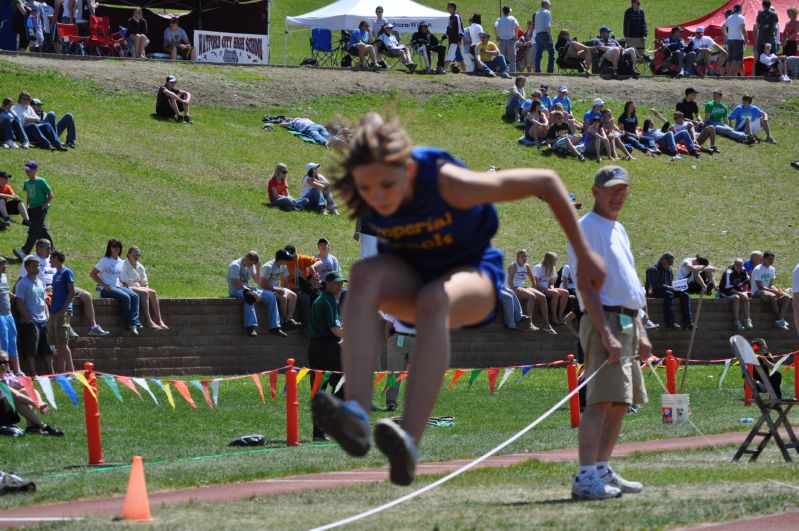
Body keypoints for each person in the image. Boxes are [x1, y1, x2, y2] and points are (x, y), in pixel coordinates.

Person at [311, 112, 604, 487]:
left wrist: (583, 250)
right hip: (419, 280)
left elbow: (545, 181)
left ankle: (409, 441)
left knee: (435, 298)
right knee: (363, 277)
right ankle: (355, 414)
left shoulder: (445, 179)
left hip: (475, 277)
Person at [567, 165, 650, 501]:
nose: (618, 195)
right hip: (606, 320)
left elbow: (628, 282)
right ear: (595, 192)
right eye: (611, 189)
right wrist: (606, 332)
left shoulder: (619, 229)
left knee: (620, 402)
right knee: (600, 402)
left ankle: (601, 467)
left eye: (623, 189)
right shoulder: (586, 228)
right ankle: (585, 476)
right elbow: (587, 287)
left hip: (627, 321)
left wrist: (640, 329)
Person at [308, 271, 347, 441]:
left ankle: (318, 433)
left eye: (342, 283)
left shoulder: (321, 300)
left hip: (315, 347)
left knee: (319, 388)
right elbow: (335, 329)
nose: (340, 286)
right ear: (328, 283)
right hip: (327, 348)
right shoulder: (329, 300)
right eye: (337, 283)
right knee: (343, 387)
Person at [1, 350, 63, 436]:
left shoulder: (8, 377)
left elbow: (28, 389)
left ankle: (31, 426)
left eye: (5, 362)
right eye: (0, 362)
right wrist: (37, 404)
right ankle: (44, 426)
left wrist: (40, 402)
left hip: (7, 412)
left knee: (25, 391)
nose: (3, 365)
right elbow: (16, 394)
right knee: (15, 397)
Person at [227, 251, 286, 338]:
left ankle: (275, 327)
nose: (252, 266)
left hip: (248, 288)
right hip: (236, 290)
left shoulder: (250, 266)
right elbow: (237, 284)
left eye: (253, 264)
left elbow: (257, 281)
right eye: (251, 264)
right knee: (249, 298)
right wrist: (253, 293)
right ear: (247, 259)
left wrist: (258, 269)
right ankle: (250, 327)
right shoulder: (235, 265)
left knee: (271, 297)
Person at [91, 239, 142, 335]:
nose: (117, 248)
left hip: (117, 286)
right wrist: (104, 285)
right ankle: (126, 323)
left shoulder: (120, 261)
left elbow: (117, 276)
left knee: (135, 296)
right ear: (110, 248)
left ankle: (134, 323)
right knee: (126, 297)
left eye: (118, 246)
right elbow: (93, 274)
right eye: (114, 246)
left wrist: (123, 283)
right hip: (106, 289)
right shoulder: (105, 260)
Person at [15, 254, 53, 376]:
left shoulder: (41, 283)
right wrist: (29, 319)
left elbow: (44, 301)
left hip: (43, 320)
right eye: (33, 266)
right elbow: (19, 304)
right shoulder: (22, 284)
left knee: (47, 349)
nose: (37, 268)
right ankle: (34, 374)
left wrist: (47, 315)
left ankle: (51, 374)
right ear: (26, 268)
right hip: (30, 322)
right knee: (31, 350)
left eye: (38, 266)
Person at [12, 161, 53, 263]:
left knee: (34, 230)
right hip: (32, 209)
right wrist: (27, 208)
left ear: (35, 170)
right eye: (26, 170)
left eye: (29, 170)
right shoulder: (27, 182)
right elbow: (29, 196)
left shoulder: (41, 181)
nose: (27, 172)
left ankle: (25, 252)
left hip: (41, 208)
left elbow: (50, 195)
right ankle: (52, 252)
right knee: (41, 229)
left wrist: (43, 206)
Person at [120, 246, 167, 330]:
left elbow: (145, 283)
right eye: (134, 254)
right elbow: (125, 282)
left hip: (139, 287)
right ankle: (148, 321)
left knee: (152, 292)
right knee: (144, 292)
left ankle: (159, 320)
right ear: (128, 254)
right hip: (127, 287)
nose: (136, 256)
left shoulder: (140, 266)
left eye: (138, 254)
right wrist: (142, 288)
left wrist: (145, 288)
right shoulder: (123, 265)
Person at [47, 250, 78, 373]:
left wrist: (63, 309)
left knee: (63, 344)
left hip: (62, 312)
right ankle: (61, 374)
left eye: (51, 258)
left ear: (56, 257)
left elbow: (72, 292)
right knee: (58, 345)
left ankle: (72, 373)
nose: (49, 261)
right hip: (54, 312)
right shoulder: (55, 275)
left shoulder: (67, 272)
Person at [645, 252, 693, 330]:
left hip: (667, 290)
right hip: (654, 291)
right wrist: (669, 287)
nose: (669, 265)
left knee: (685, 295)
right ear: (663, 260)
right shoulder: (653, 269)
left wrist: (676, 287)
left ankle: (688, 322)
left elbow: (670, 283)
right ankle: (670, 322)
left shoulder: (669, 270)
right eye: (668, 263)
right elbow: (653, 285)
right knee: (669, 295)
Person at [508, 250, 551, 332]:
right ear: (518, 258)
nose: (524, 258)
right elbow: (509, 282)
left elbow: (533, 281)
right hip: (516, 287)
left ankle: (547, 324)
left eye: (525, 256)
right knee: (532, 296)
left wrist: (533, 288)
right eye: (522, 257)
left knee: (542, 297)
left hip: (524, 287)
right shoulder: (513, 266)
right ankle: (529, 324)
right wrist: (515, 293)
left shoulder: (526, 266)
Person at [258, 249, 300, 330]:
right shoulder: (268, 267)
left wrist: (285, 289)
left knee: (293, 295)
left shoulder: (283, 266)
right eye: (286, 259)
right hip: (266, 290)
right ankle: (285, 322)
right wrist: (276, 290)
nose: (288, 261)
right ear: (281, 259)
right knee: (283, 298)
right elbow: (262, 284)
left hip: (277, 288)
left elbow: (286, 278)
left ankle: (289, 320)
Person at [751, 251, 792, 330]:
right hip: (757, 292)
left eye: (773, 259)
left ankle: (781, 318)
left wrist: (778, 290)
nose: (771, 261)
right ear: (763, 259)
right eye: (769, 259)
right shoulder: (757, 269)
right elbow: (760, 287)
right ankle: (778, 319)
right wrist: (774, 292)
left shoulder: (772, 269)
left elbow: (770, 285)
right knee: (773, 296)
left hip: (767, 290)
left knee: (786, 297)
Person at [383, 313, 415, 409]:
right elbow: (388, 323)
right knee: (394, 372)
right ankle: (391, 401)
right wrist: (390, 339)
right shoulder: (397, 299)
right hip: (398, 338)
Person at [676, 88, 718, 153]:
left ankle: (713, 146)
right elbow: (680, 118)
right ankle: (695, 143)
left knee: (711, 127)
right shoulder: (680, 104)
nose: (695, 95)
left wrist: (700, 120)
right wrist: (693, 121)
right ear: (689, 94)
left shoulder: (694, 104)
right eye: (694, 94)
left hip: (694, 126)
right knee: (692, 127)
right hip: (686, 127)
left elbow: (697, 114)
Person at [533, 252, 569, 325]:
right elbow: (535, 283)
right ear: (550, 260)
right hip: (539, 289)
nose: (556, 261)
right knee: (555, 293)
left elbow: (551, 283)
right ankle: (554, 317)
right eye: (555, 260)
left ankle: (560, 316)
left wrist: (552, 289)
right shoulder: (538, 267)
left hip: (547, 289)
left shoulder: (552, 268)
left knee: (565, 292)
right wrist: (546, 290)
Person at [0, 258, 22, 376]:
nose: (5, 266)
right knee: (4, 343)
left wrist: (13, 295)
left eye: (5, 263)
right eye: (2, 264)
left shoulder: (4, 277)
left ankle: (18, 371)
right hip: (0, 316)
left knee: (13, 342)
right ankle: (6, 371)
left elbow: (4, 290)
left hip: (9, 315)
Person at [718, 258, 752, 331]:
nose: (740, 267)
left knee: (746, 298)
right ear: (734, 264)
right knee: (736, 297)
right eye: (738, 265)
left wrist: (745, 292)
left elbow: (746, 282)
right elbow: (728, 288)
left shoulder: (743, 270)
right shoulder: (728, 272)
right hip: (725, 291)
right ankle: (736, 321)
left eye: (741, 265)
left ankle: (748, 319)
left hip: (736, 290)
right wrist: (740, 293)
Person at [494, 6, 520, 74]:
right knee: (512, 59)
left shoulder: (499, 19)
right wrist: (516, 35)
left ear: (503, 12)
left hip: (502, 41)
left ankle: (501, 72)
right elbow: (517, 26)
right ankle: (513, 73)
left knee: (501, 58)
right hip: (511, 40)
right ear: (509, 12)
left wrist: (497, 36)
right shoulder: (512, 18)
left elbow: (495, 26)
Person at [724, 4, 747, 77]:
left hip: (730, 40)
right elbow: (743, 29)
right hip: (738, 40)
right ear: (740, 9)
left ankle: (729, 75)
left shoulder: (729, 17)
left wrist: (727, 36)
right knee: (736, 59)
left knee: (729, 59)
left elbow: (723, 28)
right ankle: (733, 75)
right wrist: (746, 39)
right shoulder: (741, 18)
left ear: (734, 9)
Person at [444, 2, 467, 73]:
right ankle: (465, 72)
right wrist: (443, 37)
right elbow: (449, 29)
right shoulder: (450, 17)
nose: (447, 8)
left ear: (453, 8)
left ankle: (443, 70)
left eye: (449, 7)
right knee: (459, 57)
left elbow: (460, 28)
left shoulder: (456, 16)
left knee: (449, 55)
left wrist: (459, 39)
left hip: (455, 40)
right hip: (452, 40)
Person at [533, 0, 555, 73]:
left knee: (538, 54)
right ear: (545, 5)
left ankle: (537, 70)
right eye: (549, 5)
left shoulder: (537, 13)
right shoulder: (547, 12)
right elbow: (547, 25)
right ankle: (550, 71)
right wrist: (550, 37)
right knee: (552, 52)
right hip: (545, 34)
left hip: (538, 35)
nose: (549, 7)